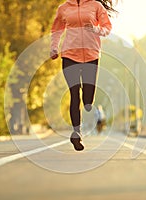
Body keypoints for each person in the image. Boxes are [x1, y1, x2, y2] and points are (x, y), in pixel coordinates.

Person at [50, 0, 117, 151]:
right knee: (74, 93)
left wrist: (96, 29)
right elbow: (56, 30)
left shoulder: (95, 6)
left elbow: (107, 27)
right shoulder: (64, 8)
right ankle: (76, 133)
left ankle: (88, 103)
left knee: (88, 100)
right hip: (69, 55)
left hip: (91, 54)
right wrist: (54, 48)